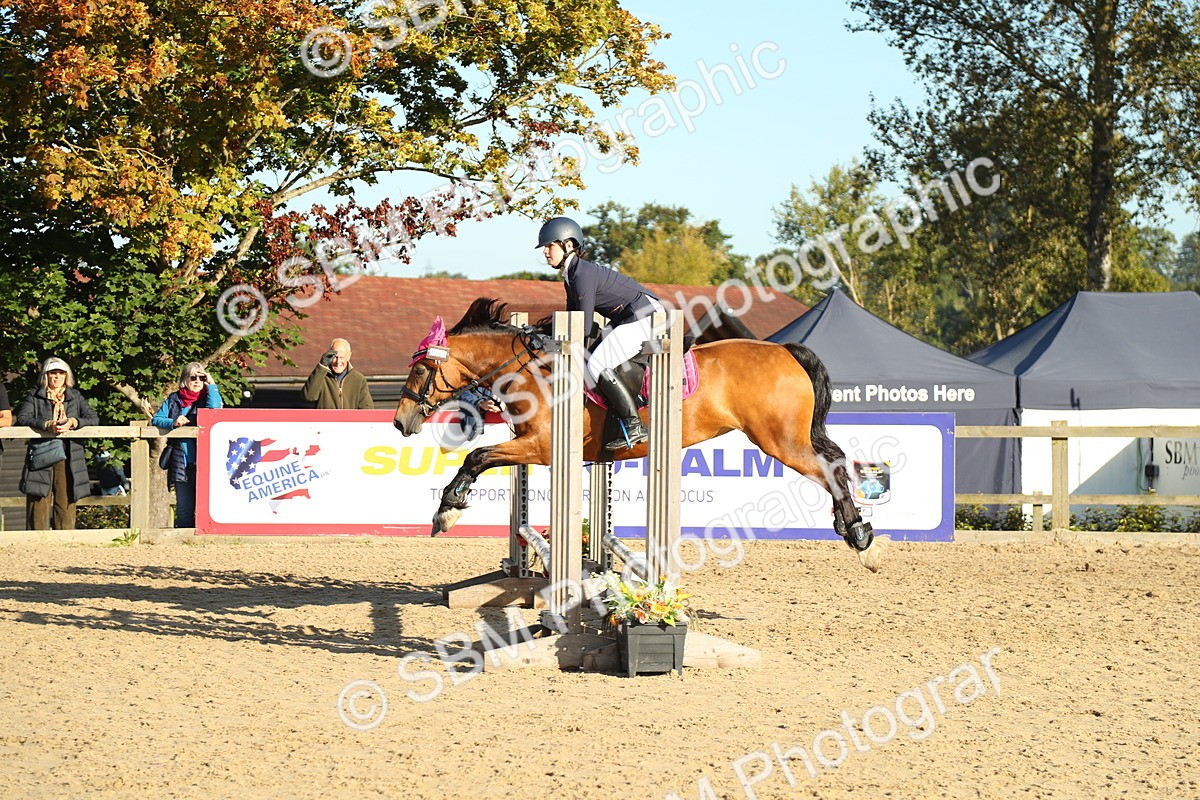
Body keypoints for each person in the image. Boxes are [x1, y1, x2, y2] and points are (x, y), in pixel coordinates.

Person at [536, 216, 666, 450]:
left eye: (549, 246)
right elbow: (571, 319)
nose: (546, 252)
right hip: (629, 317)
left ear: (568, 245)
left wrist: (556, 342)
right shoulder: (571, 274)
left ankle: (634, 423)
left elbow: (583, 327)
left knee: (595, 365)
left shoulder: (581, 274)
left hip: (644, 316)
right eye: (545, 247)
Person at [16, 357, 99, 530]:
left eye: (61, 373)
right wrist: (47, 425)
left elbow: (93, 418)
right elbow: (23, 418)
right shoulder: (35, 395)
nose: (57, 377)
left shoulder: (75, 396)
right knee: (38, 496)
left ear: (66, 376)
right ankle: (36, 540)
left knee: (66, 497)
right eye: (53, 373)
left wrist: (73, 422)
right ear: (46, 375)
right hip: (41, 452)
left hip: (69, 453)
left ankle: (65, 539)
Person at [152, 362, 224, 527]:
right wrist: (173, 422)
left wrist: (211, 384)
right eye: (193, 377)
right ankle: (184, 543)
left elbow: (215, 411)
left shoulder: (207, 397)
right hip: (181, 460)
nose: (198, 381)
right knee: (184, 508)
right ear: (185, 379)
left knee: (206, 506)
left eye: (201, 377)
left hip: (205, 461)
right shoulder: (174, 399)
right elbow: (156, 419)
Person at [302, 337, 373, 409]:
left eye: (341, 357)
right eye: (335, 357)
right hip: (325, 420)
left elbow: (367, 408)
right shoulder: (320, 375)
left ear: (349, 356)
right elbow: (308, 396)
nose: (338, 362)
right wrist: (322, 366)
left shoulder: (359, 379)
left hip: (350, 420)